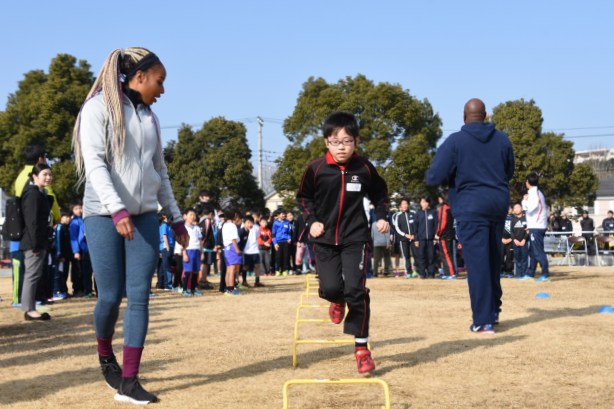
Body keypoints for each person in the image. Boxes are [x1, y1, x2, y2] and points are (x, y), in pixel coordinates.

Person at [73, 47, 188, 403]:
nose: (163, 89)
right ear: (139, 77)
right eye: (160, 80)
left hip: (145, 216)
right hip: (104, 215)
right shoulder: (97, 109)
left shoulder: (150, 119)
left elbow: (160, 171)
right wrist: (117, 210)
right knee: (109, 296)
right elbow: (94, 163)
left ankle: (129, 381)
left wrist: (176, 216)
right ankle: (105, 354)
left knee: (139, 296)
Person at [296, 110, 390, 373]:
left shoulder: (365, 168)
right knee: (332, 288)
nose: (341, 147)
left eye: (347, 141)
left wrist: (382, 216)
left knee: (357, 292)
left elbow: (380, 194)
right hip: (324, 239)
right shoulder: (316, 169)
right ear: (327, 142)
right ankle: (336, 300)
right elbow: (304, 198)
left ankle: (361, 348)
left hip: (355, 238)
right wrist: (311, 219)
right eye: (336, 141)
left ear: (356, 141)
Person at [426, 98, 515, 334]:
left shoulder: (456, 141)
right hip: (497, 205)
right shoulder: (502, 139)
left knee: (477, 263)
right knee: (493, 259)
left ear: (464, 117)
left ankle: (483, 319)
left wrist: (450, 177)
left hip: (471, 206)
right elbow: (510, 171)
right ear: (486, 116)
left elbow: (435, 176)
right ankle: (493, 310)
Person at [10, 146, 60, 308]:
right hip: (34, 234)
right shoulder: (37, 180)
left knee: (31, 271)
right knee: (33, 272)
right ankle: (30, 305)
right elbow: (49, 202)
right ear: (40, 159)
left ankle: (29, 303)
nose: (48, 178)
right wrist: (56, 218)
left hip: (24, 231)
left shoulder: (19, 177)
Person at [20, 163, 54, 321]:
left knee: (35, 274)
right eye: (44, 174)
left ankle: (31, 307)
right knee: (32, 275)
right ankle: (28, 309)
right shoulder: (33, 194)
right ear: (34, 176)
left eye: (49, 174)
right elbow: (32, 221)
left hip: (39, 240)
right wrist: (35, 245)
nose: (48, 177)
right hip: (33, 242)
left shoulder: (40, 193)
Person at [524, 173, 549, 282]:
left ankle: (545, 274)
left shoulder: (534, 194)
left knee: (538, 251)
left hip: (537, 226)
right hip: (534, 225)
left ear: (527, 182)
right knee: (532, 251)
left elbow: (529, 209)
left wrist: (525, 200)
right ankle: (530, 273)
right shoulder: (536, 193)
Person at [70, 199, 94, 298]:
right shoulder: (74, 222)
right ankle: (86, 291)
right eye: (76, 209)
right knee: (84, 272)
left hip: (91, 249)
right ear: (72, 210)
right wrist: (76, 251)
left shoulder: (87, 219)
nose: (79, 210)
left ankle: (94, 291)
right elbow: (74, 238)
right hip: (83, 251)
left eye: (80, 208)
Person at [391, 197, 417, 278]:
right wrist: (406, 235)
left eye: (406, 204)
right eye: (403, 204)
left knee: (417, 255)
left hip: (414, 238)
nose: (405, 206)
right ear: (400, 206)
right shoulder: (398, 215)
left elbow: (418, 225)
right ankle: (408, 272)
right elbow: (397, 228)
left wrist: (414, 235)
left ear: (408, 205)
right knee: (406, 256)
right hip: (403, 239)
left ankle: (418, 271)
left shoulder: (413, 213)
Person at [414, 196, 438, 279]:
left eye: (426, 202)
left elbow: (436, 226)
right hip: (421, 240)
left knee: (431, 256)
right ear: (420, 203)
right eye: (422, 202)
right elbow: (415, 228)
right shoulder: (418, 214)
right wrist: (416, 239)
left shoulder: (433, 213)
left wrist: (435, 238)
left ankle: (431, 274)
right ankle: (422, 274)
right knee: (421, 257)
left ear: (428, 203)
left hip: (431, 239)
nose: (424, 204)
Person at [222, 205, 244, 296]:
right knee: (232, 269)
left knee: (228, 269)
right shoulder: (233, 226)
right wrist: (237, 250)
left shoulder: (225, 225)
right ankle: (231, 289)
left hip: (226, 248)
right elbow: (233, 239)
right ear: (235, 215)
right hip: (232, 247)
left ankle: (228, 289)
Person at [435, 191, 457, 279]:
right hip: (450, 234)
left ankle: (451, 274)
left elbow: (442, 222)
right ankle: (448, 273)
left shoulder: (443, 207)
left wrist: (438, 233)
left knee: (446, 254)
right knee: (448, 254)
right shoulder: (450, 206)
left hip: (444, 235)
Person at [181, 208, 203, 297]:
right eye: (190, 215)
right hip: (188, 251)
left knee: (195, 272)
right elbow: (182, 243)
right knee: (187, 271)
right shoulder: (183, 228)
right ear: (185, 216)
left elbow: (200, 242)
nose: (192, 217)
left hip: (197, 251)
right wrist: (184, 254)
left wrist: (202, 253)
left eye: (194, 215)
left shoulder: (197, 228)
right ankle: (185, 290)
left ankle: (193, 289)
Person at [53, 207, 73, 300]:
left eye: (69, 216)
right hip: (61, 257)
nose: (68, 218)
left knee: (65, 274)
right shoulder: (59, 228)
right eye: (66, 216)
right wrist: (59, 255)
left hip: (67, 256)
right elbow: (58, 242)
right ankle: (58, 291)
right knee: (59, 274)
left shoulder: (68, 228)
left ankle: (64, 290)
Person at [197, 203, 216, 290]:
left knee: (205, 265)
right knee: (205, 265)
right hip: (206, 247)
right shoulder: (207, 221)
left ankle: (201, 281)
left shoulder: (201, 220)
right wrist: (203, 244)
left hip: (204, 246)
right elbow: (204, 234)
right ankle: (203, 282)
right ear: (211, 213)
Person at [243, 213, 265, 287]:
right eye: (254, 217)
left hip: (255, 249)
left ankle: (257, 281)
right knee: (246, 266)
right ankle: (244, 281)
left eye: (257, 217)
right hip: (246, 250)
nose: (255, 219)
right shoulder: (243, 227)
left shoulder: (257, 227)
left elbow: (257, 238)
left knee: (257, 265)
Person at [510, 202, 529, 279]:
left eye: (518, 207)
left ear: (522, 209)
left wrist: (524, 239)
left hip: (524, 242)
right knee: (517, 258)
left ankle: (524, 274)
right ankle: (518, 274)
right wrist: (514, 240)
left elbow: (528, 230)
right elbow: (511, 230)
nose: (516, 209)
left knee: (524, 258)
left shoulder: (526, 218)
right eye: (514, 208)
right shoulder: (513, 219)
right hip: (516, 242)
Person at [371, 212, 392, 277]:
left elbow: (372, 235)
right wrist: (388, 243)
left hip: (376, 243)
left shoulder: (373, 224)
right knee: (386, 256)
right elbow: (387, 234)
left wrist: (374, 241)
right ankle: (386, 270)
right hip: (384, 242)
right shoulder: (385, 223)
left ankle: (375, 272)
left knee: (376, 258)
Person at [272, 210, 292, 276]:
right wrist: (275, 243)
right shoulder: (275, 223)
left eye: (284, 214)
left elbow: (289, 231)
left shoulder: (287, 222)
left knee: (286, 256)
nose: (284, 215)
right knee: (278, 257)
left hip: (285, 242)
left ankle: (284, 270)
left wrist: (289, 238)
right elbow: (273, 234)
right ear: (278, 215)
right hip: (278, 242)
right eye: (282, 214)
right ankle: (277, 270)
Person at [157, 212, 173, 290]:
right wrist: (167, 247)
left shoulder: (167, 224)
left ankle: (161, 284)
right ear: (164, 216)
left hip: (167, 247)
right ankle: (168, 285)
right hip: (166, 247)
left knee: (164, 266)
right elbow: (164, 236)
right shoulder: (164, 224)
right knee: (167, 267)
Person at [501, 204, 515, 278]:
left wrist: (511, 239)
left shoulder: (514, 218)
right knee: (501, 256)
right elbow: (497, 230)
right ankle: (501, 271)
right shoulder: (501, 218)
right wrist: (501, 238)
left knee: (510, 257)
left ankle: (509, 271)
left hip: (511, 240)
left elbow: (516, 231)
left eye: (509, 209)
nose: (508, 210)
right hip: (502, 240)